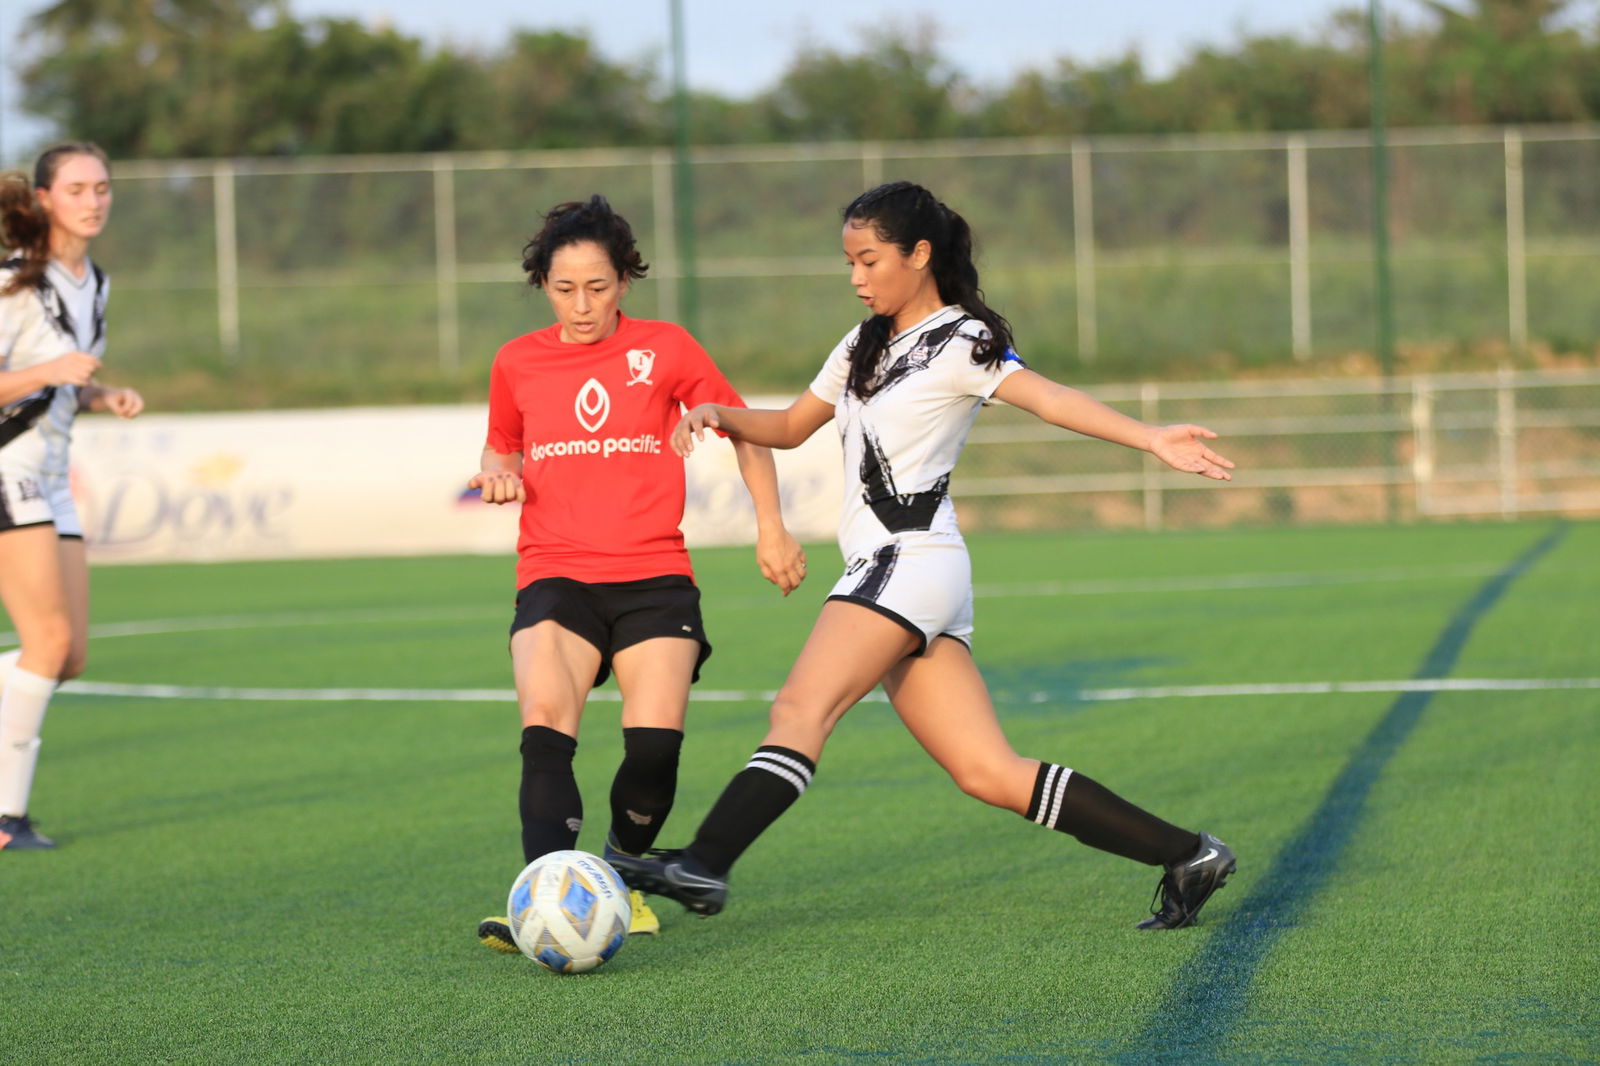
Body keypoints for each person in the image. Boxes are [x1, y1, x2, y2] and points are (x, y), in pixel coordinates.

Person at [611, 181, 1239, 930]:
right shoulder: (861, 342)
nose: (856, 277)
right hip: (898, 569)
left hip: (908, 559)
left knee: (799, 709)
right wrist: (718, 413)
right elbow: (785, 426)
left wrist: (1150, 437)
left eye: (869, 260)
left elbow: (1051, 398)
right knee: (987, 772)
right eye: (848, 262)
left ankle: (705, 861)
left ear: (919, 254)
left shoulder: (962, 339)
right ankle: (1189, 854)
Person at [469, 195, 806, 951]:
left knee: (654, 748)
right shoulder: (516, 360)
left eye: (597, 286)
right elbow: (501, 446)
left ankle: (619, 875)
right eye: (563, 288)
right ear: (542, 285)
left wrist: (772, 529)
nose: (581, 305)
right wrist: (497, 474)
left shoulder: (669, 348)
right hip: (554, 573)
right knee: (546, 730)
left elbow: (743, 429)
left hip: (654, 574)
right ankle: (546, 899)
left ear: (624, 280)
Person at [0, 142, 141, 852]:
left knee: (70, 654)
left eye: (103, 188)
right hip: (9, 467)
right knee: (46, 643)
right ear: (45, 199)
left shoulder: (95, 281)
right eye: (78, 188)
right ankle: (6, 817)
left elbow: (61, 381)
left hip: (53, 474)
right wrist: (52, 369)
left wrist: (97, 392)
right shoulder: (14, 284)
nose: (93, 200)